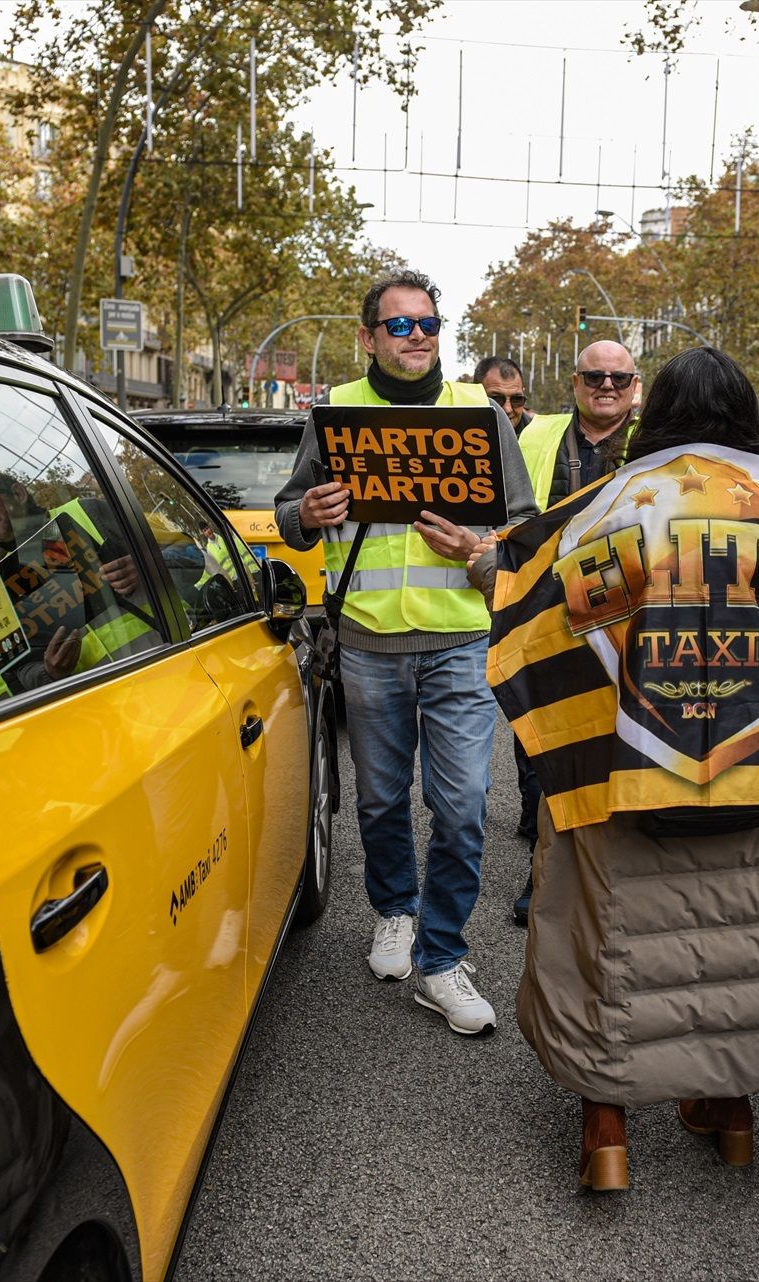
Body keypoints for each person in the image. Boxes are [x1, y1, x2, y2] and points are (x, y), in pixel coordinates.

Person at [466, 346, 759, 1192]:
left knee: (608, 948)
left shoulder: (601, 509)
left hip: (623, 780)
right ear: (748, 415)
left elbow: (526, 598)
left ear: (653, 412)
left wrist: (489, 565)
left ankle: (607, 1130)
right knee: (742, 949)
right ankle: (731, 1109)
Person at [273, 269, 539, 1036]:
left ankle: (442, 956)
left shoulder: (479, 415)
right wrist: (306, 513)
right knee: (380, 802)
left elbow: (522, 529)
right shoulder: (334, 415)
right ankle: (395, 909)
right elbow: (292, 514)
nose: (417, 335)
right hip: (366, 643)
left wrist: (478, 549)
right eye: (399, 325)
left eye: (427, 323)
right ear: (368, 337)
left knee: (461, 810)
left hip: (458, 641)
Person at [504, 339, 641, 925]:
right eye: (595, 377)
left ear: (636, 384)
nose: (606, 386)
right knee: (544, 754)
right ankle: (549, 878)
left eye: (619, 377)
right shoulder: (532, 437)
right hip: (546, 622)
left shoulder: (659, 441)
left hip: (630, 630)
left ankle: (613, 879)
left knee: (623, 754)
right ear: (575, 382)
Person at [0, 471, 155, 690]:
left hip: (165, 669)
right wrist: (49, 672)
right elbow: (23, 670)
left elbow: (186, 553)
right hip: (98, 703)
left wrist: (148, 567)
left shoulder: (87, 513)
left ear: (18, 494)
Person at [473, 354, 532, 431]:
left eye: (517, 399)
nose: (508, 410)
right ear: (475, 395)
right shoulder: (456, 433)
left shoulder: (540, 434)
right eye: (496, 400)